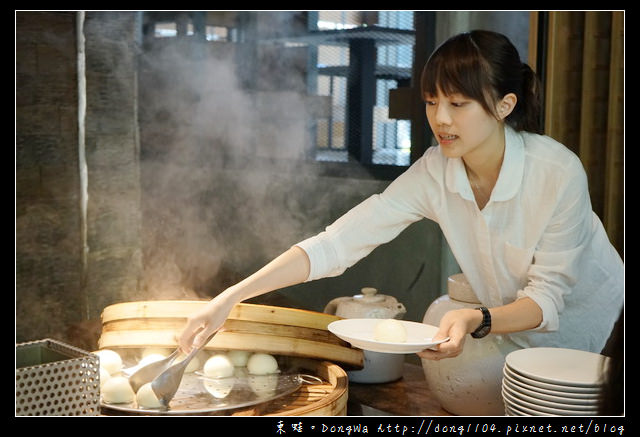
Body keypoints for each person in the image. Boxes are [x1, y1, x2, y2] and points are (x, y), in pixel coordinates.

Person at [178, 30, 624, 365]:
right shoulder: (436, 170)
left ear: (504, 105)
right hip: (516, 339)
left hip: (605, 330)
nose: (440, 119)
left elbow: (546, 300)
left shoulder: (557, 171)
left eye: (458, 103)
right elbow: (339, 242)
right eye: (432, 102)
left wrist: (476, 318)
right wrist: (231, 297)